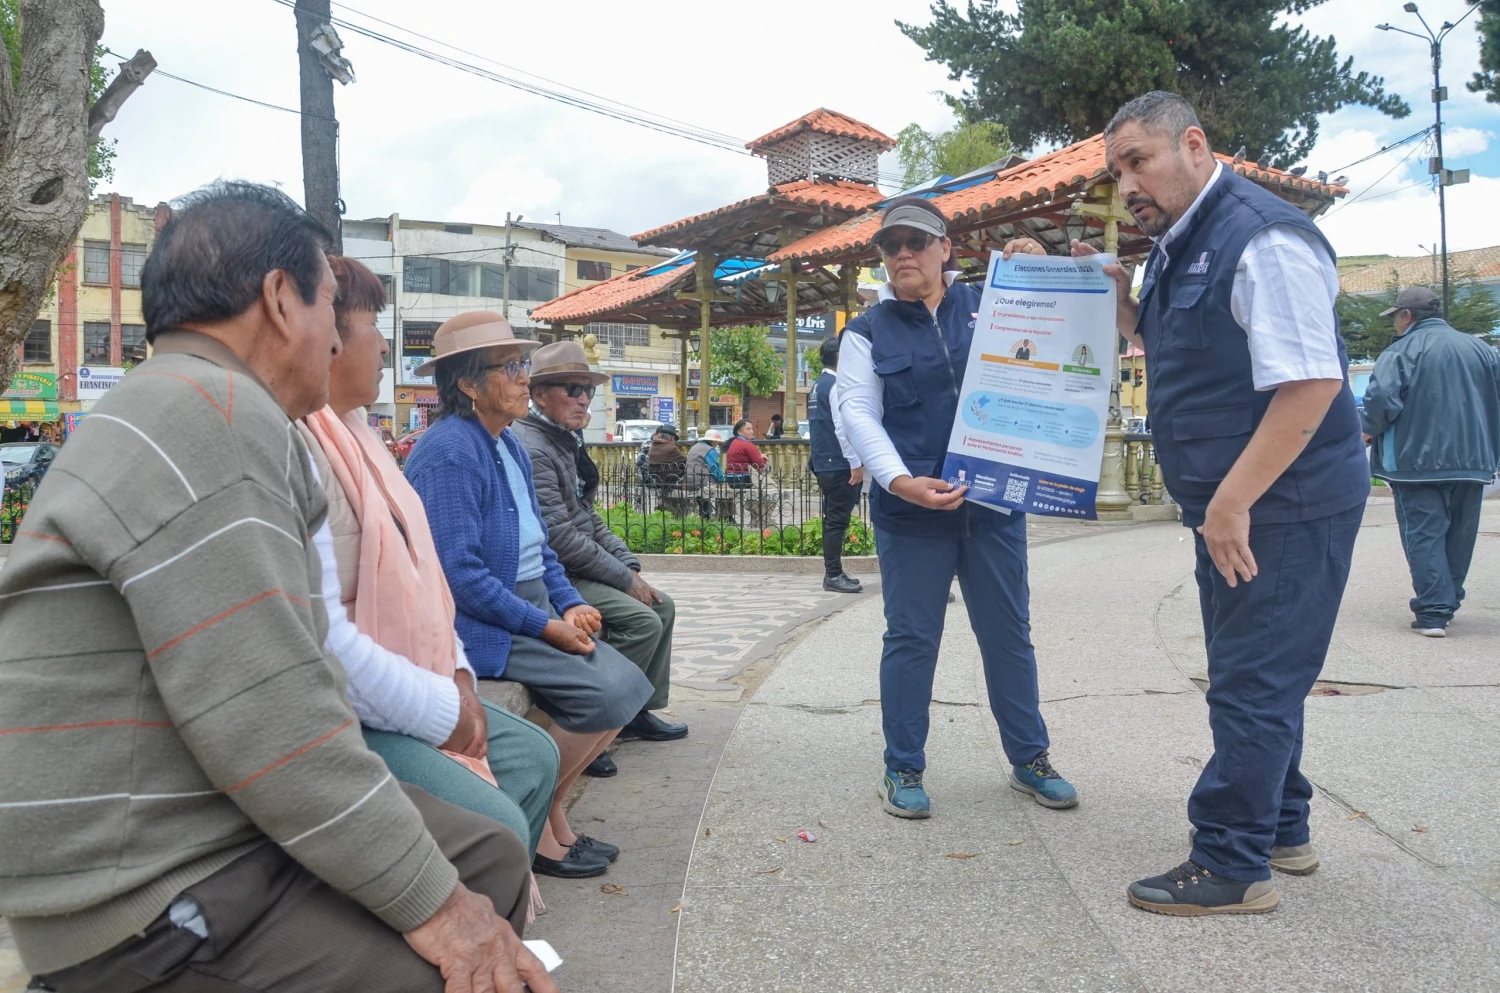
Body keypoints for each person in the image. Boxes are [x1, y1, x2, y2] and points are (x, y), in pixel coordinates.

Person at [0, 182, 552, 993]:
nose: (335, 341)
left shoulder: (198, 403)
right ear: (279, 301)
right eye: (332, 308)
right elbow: (273, 718)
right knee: (450, 944)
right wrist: (440, 910)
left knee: (489, 850)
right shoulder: (210, 412)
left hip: (202, 825)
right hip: (146, 893)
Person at [1008, 91, 1369, 916]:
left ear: (1194, 145)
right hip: (1241, 504)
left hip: (1284, 503)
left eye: (1137, 160)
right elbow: (1180, 344)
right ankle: (1283, 824)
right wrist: (1121, 301)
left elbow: (1311, 382)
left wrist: (1233, 500)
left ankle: (1231, 864)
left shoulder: (1262, 237)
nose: (1126, 182)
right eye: (1116, 170)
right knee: (1260, 674)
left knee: (1250, 681)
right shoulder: (1183, 242)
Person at [295, 256, 560, 863]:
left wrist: (459, 674)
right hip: (365, 695)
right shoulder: (321, 448)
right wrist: (452, 700)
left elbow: (435, 575)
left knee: (536, 751)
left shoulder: (366, 437)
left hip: (438, 655)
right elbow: (331, 634)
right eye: (373, 327)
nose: (385, 348)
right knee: (503, 805)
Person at [838, 195, 1079, 827]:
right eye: (890, 247)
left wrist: (1040, 265)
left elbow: (1056, 326)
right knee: (912, 637)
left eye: (916, 242)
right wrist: (897, 481)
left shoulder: (993, 302)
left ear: (947, 248)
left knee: (1008, 635)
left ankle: (1030, 759)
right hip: (912, 513)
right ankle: (904, 766)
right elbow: (858, 411)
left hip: (993, 507)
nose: (903, 255)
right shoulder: (865, 331)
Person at [405, 311, 655, 882]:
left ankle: (552, 810)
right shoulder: (450, 451)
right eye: (512, 367)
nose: (525, 379)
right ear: (468, 384)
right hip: (482, 621)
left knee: (624, 687)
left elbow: (538, 544)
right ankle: (540, 825)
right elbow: (461, 576)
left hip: (529, 602)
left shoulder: (506, 444)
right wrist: (544, 626)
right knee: (610, 691)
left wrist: (567, 602)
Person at [513, 340, 689, 770]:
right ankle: (595, 719)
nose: (583, 398)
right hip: (558, 575)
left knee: (662, 608)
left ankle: (635, 712)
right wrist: (625, 580)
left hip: (574, 565)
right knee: (642, 620)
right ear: (539, 394)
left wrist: (626, 562)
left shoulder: (561, 439)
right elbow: (559, 536)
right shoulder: (534, 445)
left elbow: (587, 518)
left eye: (587, 390)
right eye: (571, 389)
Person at [1362, 285, 1500, 638]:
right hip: (1473, 459)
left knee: (1423, 532)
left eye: (1395, 317)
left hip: (1415, 461)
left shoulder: (1401, 351)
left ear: (1407, 316)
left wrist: (1366, 432)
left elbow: (1381, 400)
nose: (1394, 324)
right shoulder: (1483, 350)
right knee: (1460, 533)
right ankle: (1447, 601)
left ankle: (1434, 612)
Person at [808, 334, 865, 593]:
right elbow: (841, 428)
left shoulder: (817, 385)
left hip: (824, 461)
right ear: (840, 357)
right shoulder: (835, 385)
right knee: (837, 522)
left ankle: (834, 572)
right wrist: (855, 462)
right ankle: (833, 574)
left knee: (833, 519)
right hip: (839, 463)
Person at [686, 428, 727, 515]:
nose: (716, 444)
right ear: (712, 441)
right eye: (716, 442)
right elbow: (714, 467)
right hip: (702, 481)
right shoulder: (709, 450)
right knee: (722, 495)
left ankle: (706, 513)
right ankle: (717, 515)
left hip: (689, 479)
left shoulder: (695, 447)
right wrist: (722, 480)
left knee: (703, 503)